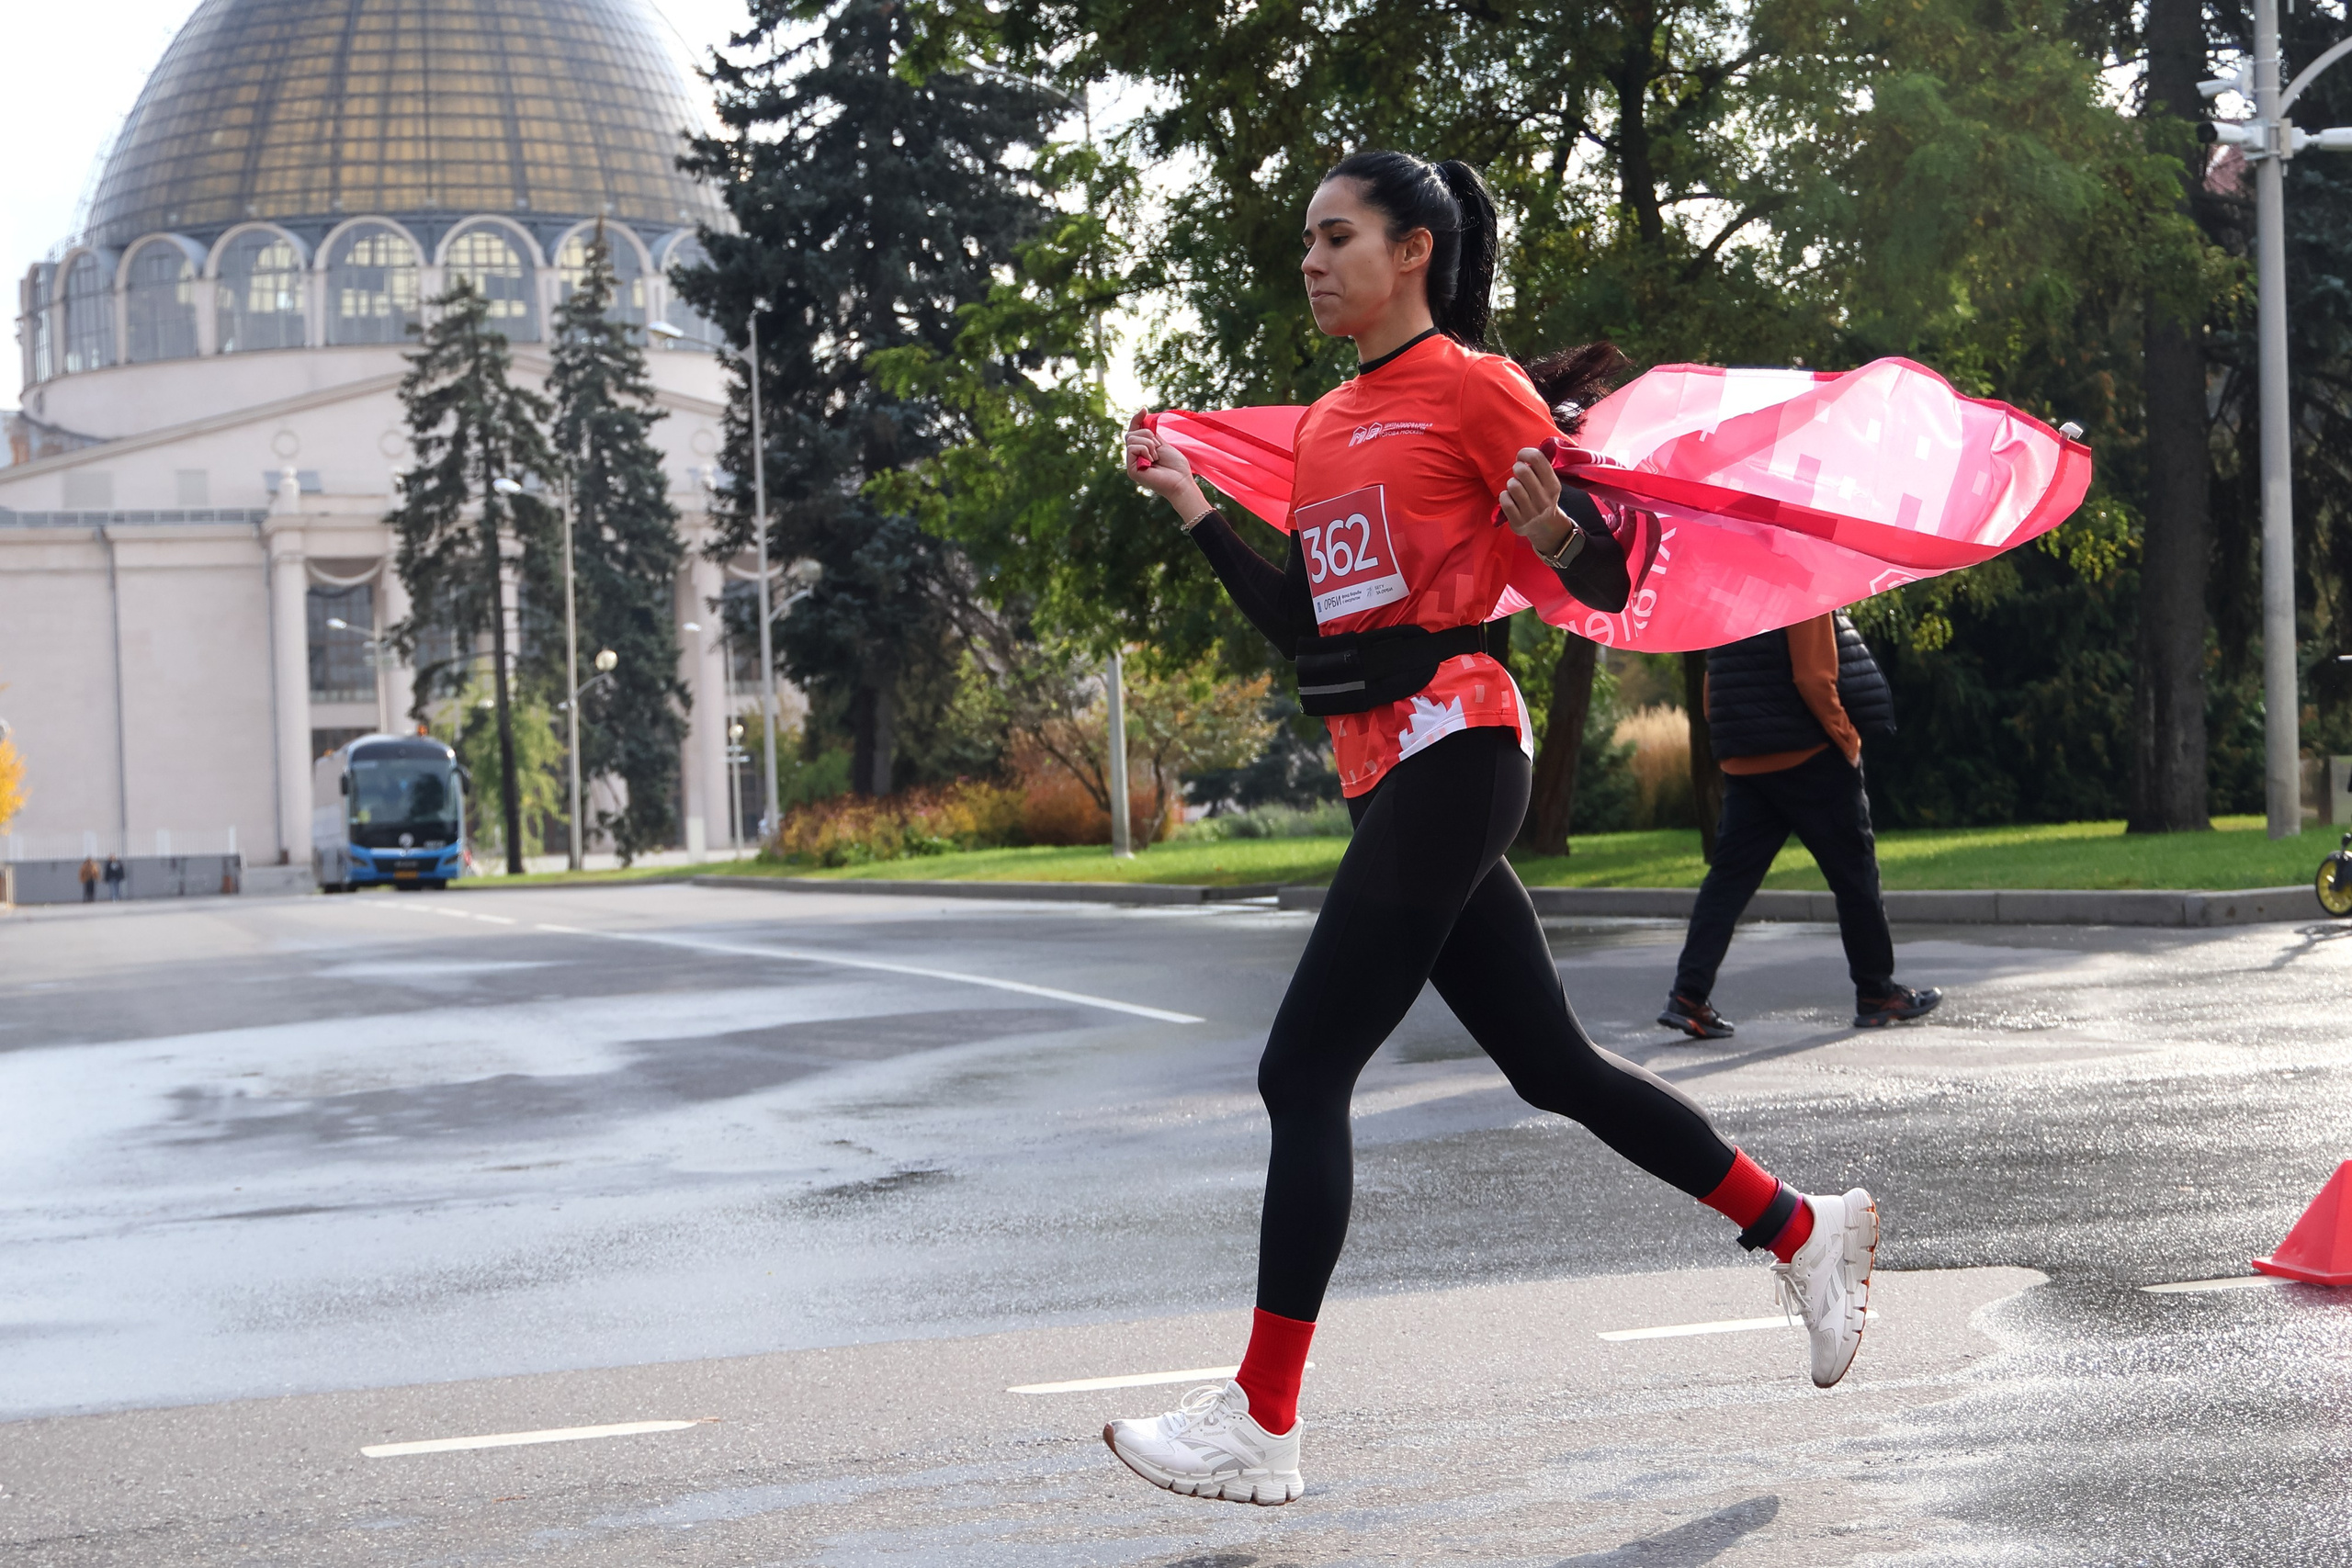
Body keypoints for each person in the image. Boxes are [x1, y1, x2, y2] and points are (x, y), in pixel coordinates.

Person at [1111, 150, 1879, 1507]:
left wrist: (1566, 538)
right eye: (1307, 240)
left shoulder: (1474, 388)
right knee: (1553, 1064)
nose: (1311, 260)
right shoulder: (1328, 424)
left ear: (1413, 250)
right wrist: (1194, 511)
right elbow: (1307, 623)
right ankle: (1799, 1226)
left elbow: (1608, 570)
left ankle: (1263, 1421)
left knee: (1302, 1073)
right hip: (1387, 768)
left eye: (1336, 236)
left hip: (1457, 747)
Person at [1658, 613, 1941, 1039]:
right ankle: (1877, 993)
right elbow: (1813, 676)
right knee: (1855, 876)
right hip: (1810, 757)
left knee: (1726, 885)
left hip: (1746, 764)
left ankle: (1688, 996)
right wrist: (1846, 737)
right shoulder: (1800, 589)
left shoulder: (1728, 597)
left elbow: (1710, 695)